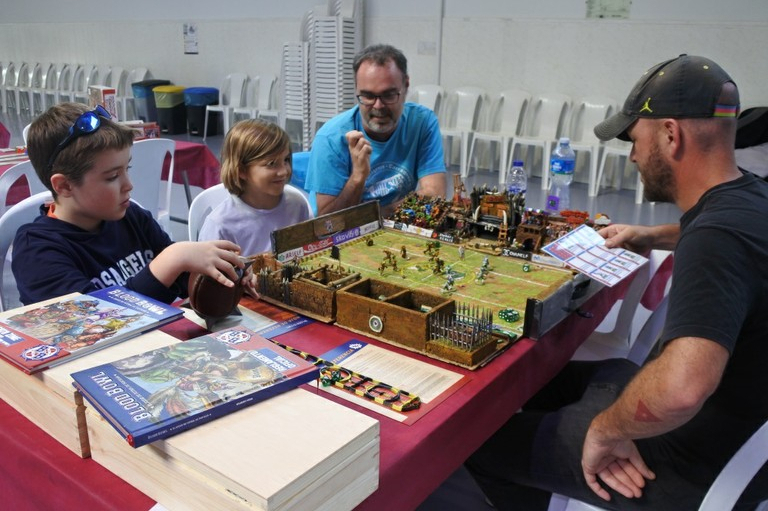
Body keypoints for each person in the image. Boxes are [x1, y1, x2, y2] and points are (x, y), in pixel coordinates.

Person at [465, 55, 768, 510]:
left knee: (476, 443)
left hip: (680, 463)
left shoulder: (716, 237)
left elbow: (683, 389)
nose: (632, 156)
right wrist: (651, 234)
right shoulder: (748, 197)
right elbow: (716, 238)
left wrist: (605, 431)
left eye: (635, 139)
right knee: (542, 381)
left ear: (670, 135)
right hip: (733, 437)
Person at [13, 102, 251, 306]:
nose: (129, 185)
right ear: (64, 186)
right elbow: (95, 326)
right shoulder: (37, 250)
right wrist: (173, 258)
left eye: (127, 169)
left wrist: (221, 275)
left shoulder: (131, 216)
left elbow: (182, 283)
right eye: (112, 177)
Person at [304, 43, 447, 217]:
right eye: (368, 96)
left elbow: (435, 194)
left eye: (388, 95)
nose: (378, 106)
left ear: (406, 86)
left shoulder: (422, 122)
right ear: (356, 90)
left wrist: (379, 215)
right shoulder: (330, 138)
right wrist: (357, 177)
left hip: (390, 224)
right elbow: (327, 222)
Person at [198, 119, 313, 255]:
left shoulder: (297, 205)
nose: (284, 171)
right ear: (241, 170)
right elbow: (208, 273)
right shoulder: (220, 225)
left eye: (286, 160)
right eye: (271, 163)